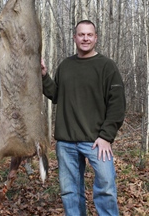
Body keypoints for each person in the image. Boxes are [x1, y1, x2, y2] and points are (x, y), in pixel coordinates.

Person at [41, 19, 126, 216]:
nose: (85, 38)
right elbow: (57, 96)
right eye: (81, 34)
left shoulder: (107, 66)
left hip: (97, 141)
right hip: (66, 142)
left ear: (95, 38)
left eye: (89, 35)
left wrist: (106, 136)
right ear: (75, 38)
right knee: (70, 192)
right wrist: (44, 76)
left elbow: (117, 105)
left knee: (105, 188)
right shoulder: (66, 66)